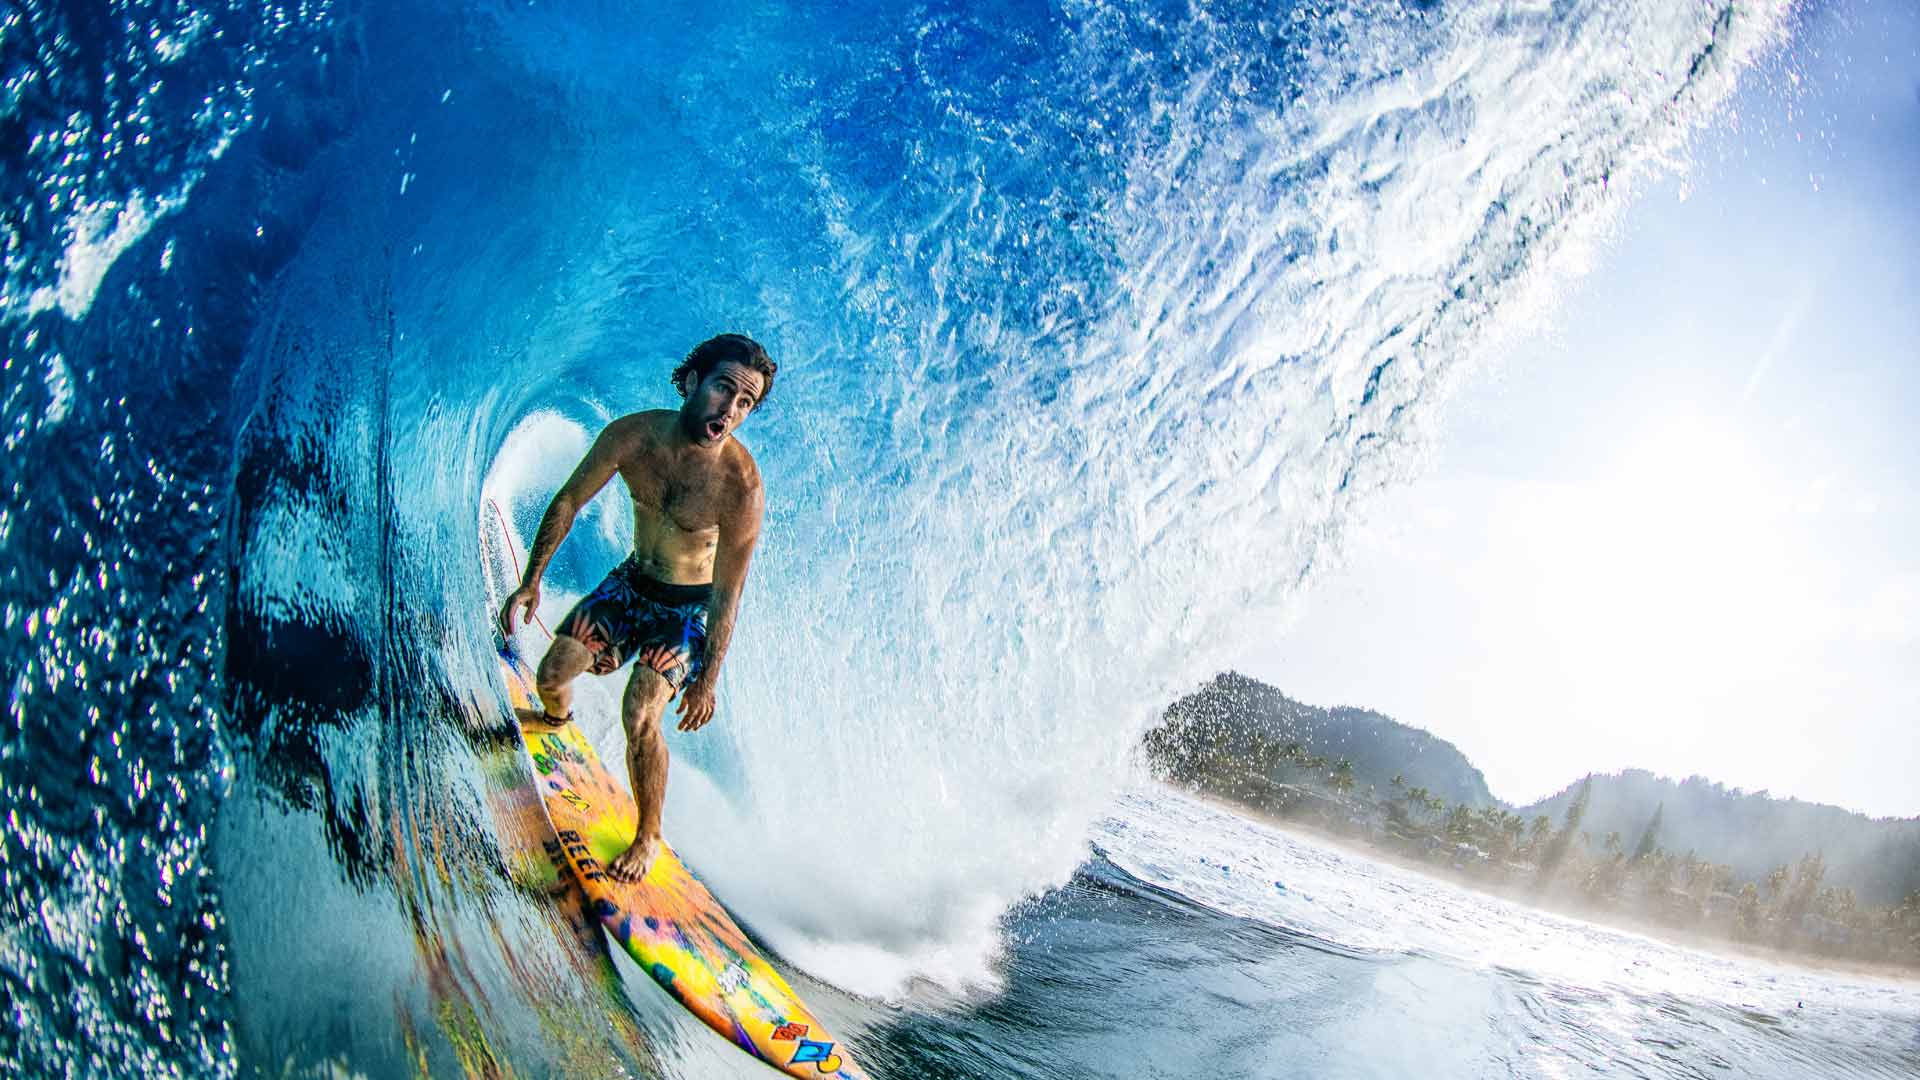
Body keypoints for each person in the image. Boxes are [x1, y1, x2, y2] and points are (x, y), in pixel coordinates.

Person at [498, 333, 772, 882]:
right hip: (632, 585)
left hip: (687, 613)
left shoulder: (740, 488)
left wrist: (707, 680)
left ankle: (649, 835)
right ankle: (558, 721)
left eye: (746, 403)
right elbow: (571, 500)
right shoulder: (635, 437)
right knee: (552, 674)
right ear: (694, 381)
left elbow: (728, 593)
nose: (732, 410)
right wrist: (532, 582)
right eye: (725, 390)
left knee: (641, 707)